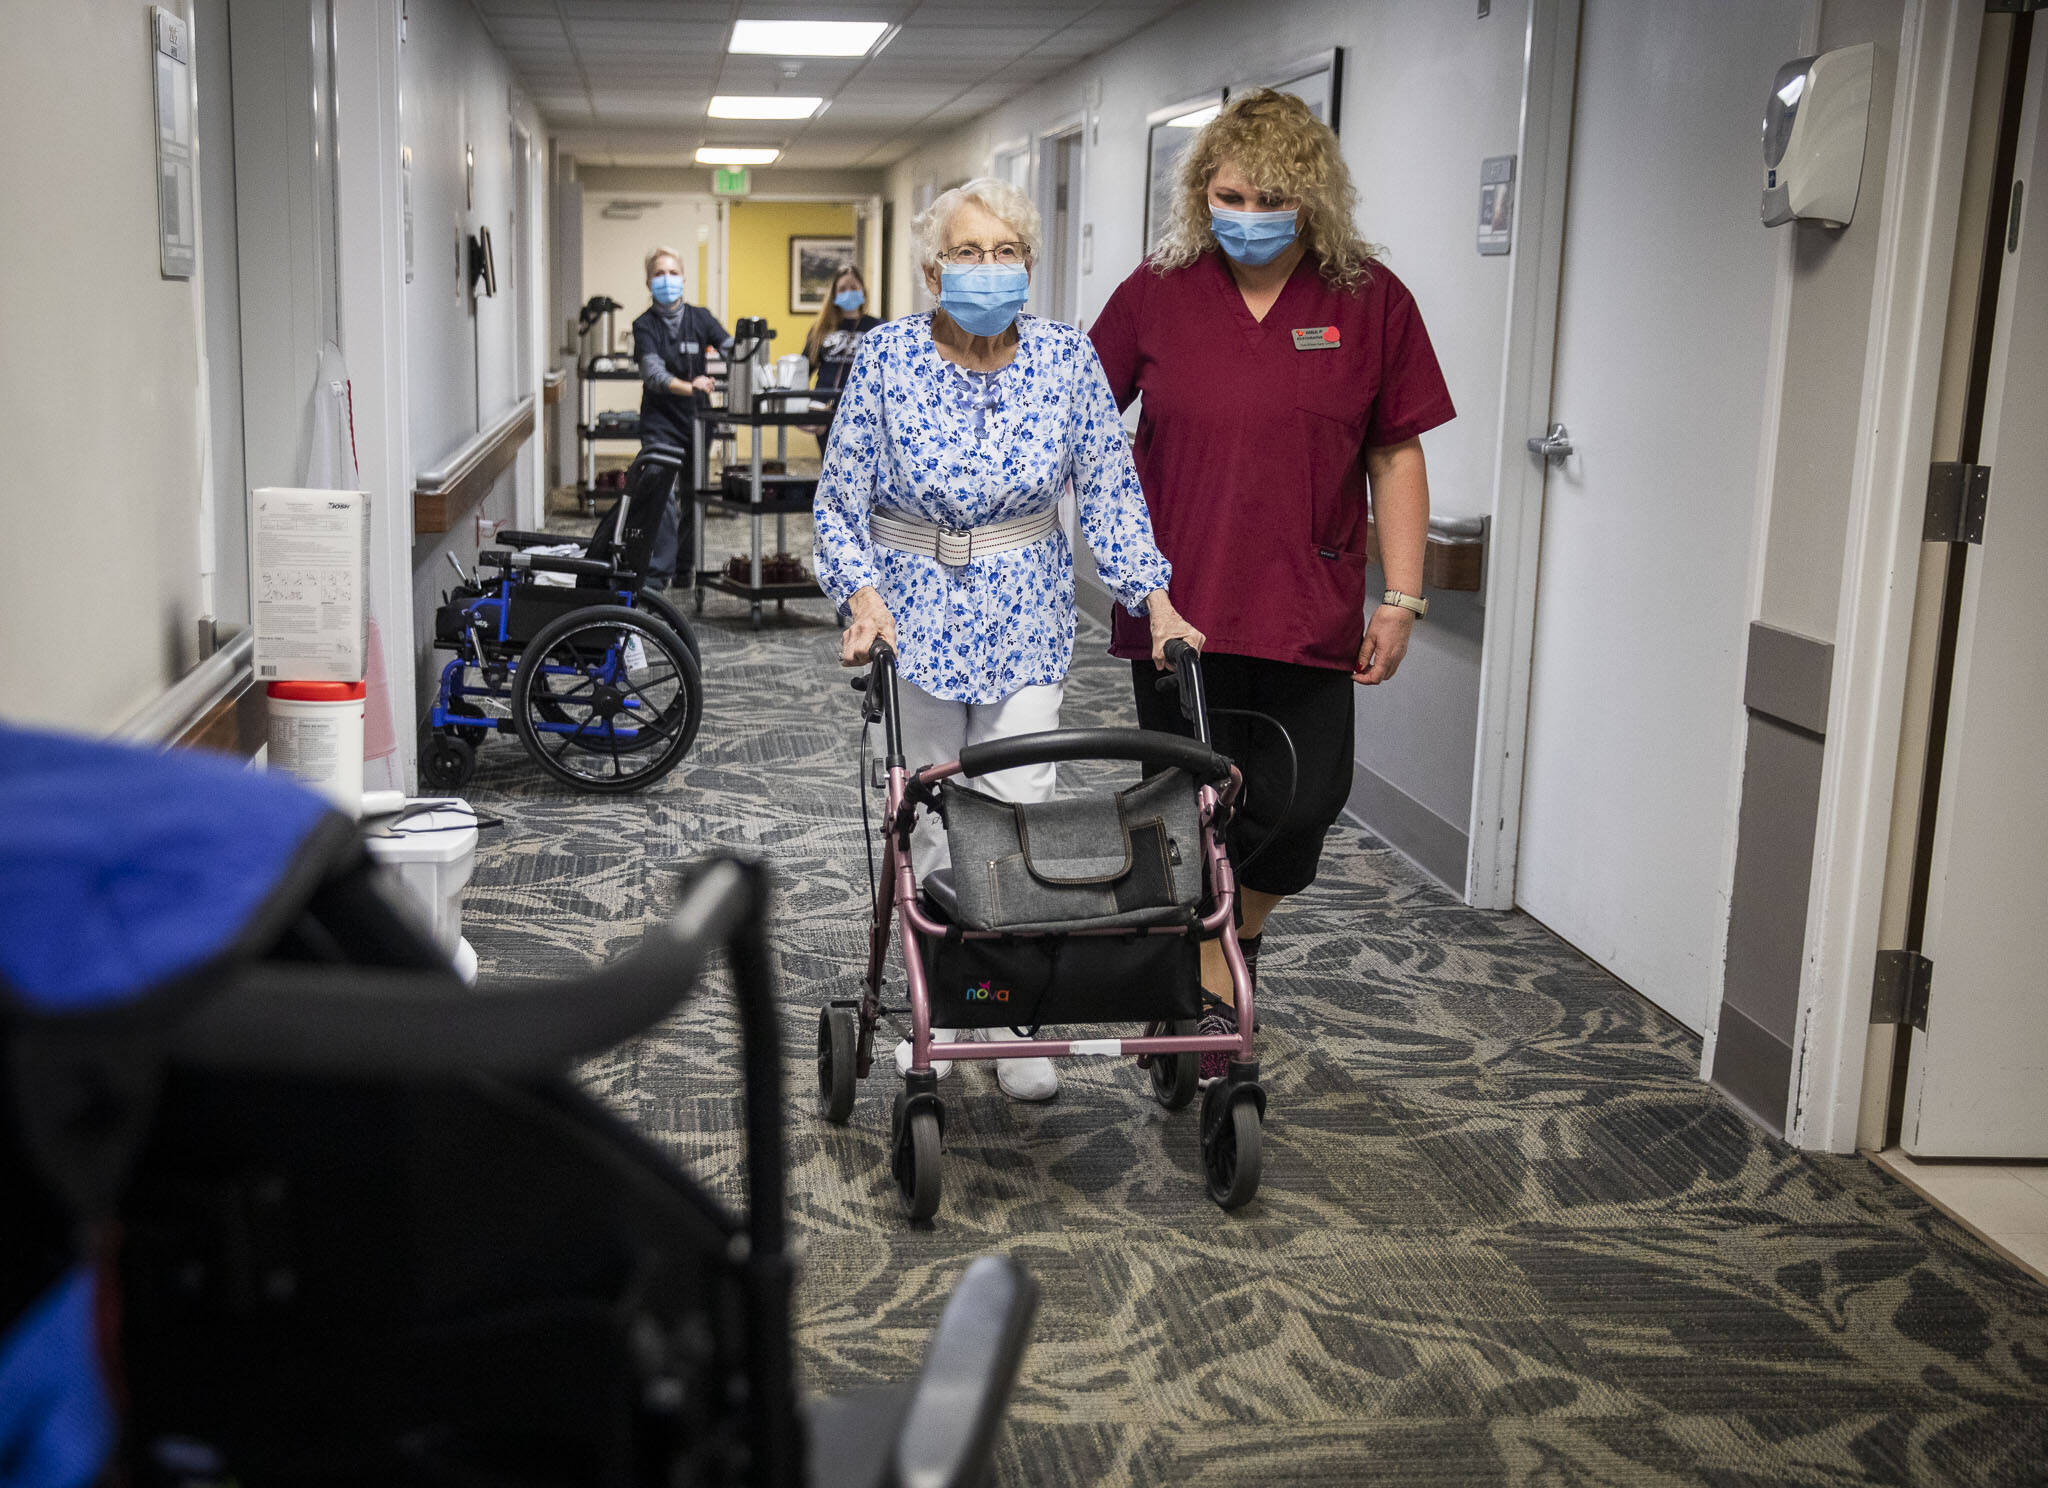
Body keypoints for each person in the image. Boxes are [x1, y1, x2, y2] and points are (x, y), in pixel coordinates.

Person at [1089, 89, 1456, 1080]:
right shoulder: (1156, 292)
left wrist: (1402, 594)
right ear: (1201, 193)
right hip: (1175, 604)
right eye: (1227, 194)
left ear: (1313, 199)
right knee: (1176, 811)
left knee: (1299, 804)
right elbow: (1078, 419)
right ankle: (1191, 987)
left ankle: (1225, 946)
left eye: (1268, 196)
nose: (1245, 212)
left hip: (1308, 605)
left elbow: (1396, 453)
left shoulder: (1368, 301)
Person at [813, 178, 1202, 1103]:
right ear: (931, 268)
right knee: (932, 819)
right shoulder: (886, 357)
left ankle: (1012, 1007)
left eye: (1005, 253)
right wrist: (860, 597)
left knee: (1020, 808)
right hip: (909, 615)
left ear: (1029, 264)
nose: (986, 270)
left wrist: (1158, 602)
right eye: (966, 252)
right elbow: (838, 504)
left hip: (1027, 609)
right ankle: (952, 1000)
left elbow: (1108, 490)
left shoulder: (1068, 361)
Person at [631, 247, 731, 589]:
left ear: (684, 277)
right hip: (660, 422)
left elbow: (732, 347)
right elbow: (653, 375)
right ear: (648, 281)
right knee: (662, 494)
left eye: (673, 273)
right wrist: (692, 387)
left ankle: (685, 569)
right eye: (659, 274)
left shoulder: (701, 318)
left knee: (693, 495)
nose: (667, 280)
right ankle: (658, 574)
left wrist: (747, 359)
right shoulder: (644, 326)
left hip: (697, 421)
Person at [800, 263, 882, 445]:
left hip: (861, 411)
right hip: (823, 410)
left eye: (853, 287)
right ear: (834, 294)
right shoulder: (820, 329)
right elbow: (803, 368)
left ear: (863, 292)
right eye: (843, 288)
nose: (848, 292)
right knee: (829, 466)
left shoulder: (878, 328)